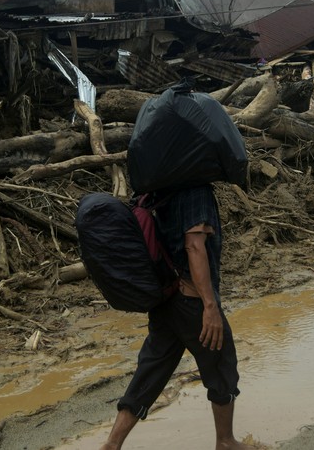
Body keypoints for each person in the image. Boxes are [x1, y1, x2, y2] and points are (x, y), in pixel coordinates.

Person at [100, 184, 252, 450]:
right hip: (191, 300)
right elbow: (194, 246)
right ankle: (226, 442)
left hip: (164, 300)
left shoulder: (156, 190)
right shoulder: (195, 191)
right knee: (221, 361)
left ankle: (112, 444)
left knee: (151, 369)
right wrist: (210, 306)